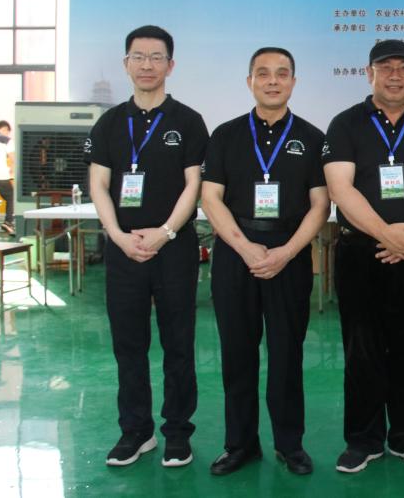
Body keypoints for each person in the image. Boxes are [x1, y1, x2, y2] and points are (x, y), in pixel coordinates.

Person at [323, 39, 404, 473]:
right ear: (369, 73)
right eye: (386, 67)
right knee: (362, 349)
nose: (395, 75)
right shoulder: (345, 124)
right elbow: (340, 188)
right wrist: (386, 234)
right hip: (361, 253)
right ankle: (362, 440)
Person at [201, 47, 330, 476]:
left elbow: (320, 205)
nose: (272, 81)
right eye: (263, 73)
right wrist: (244, 247)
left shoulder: (313, 138)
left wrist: (286, 252)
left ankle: (290, 445)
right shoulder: (225, 135)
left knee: (287, 354)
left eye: (281, 73)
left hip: (288, 254)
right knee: (237, 354)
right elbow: (211, 198)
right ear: (249, 81)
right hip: (235, 251)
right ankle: (240, 444)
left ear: (293, 81)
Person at [86, 25, 208, 467]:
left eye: (156, 57)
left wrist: (166, 232)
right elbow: (99, 185)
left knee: (179, 343)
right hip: (124, 250)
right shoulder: (109, 123)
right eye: (138, 57)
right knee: (128, 345)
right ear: (126, 64)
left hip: (173, 248)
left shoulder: (188, 121)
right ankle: (136, 432)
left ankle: (177, 432)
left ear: (170, 66)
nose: (147, 65)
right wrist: (117, 236)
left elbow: (194, 185)